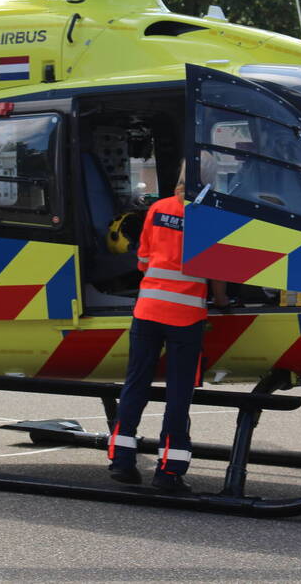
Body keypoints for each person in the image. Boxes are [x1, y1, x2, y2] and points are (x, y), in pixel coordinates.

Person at [107, 170, 223, 494]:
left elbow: (143, 258)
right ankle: (169, 471)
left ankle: (121, 460)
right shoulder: (209, 215)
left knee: (136, 384)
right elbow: (215, 269)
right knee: (178, 393)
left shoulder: (158, 209)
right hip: (184, 317)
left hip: (147, 309)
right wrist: (224, 300)